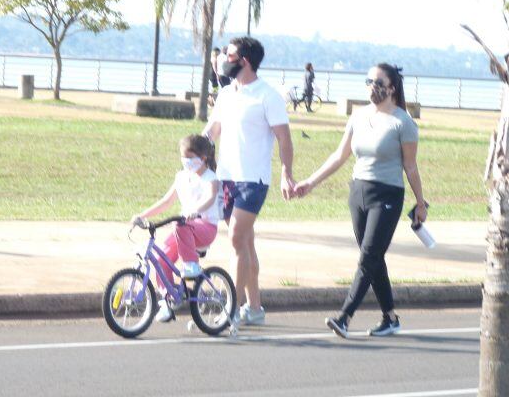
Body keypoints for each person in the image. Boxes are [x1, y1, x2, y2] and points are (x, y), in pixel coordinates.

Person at [295, 63, 427, 339]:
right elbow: (339, 156)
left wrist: (421, 202)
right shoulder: (358, 116)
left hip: (388, 195)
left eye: (378, 82)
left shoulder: (403, 122)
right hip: (359, 192)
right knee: (374, 257)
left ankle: (345, 316)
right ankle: (390, 317)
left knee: (368, 257)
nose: (372, 87)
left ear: (392, 87)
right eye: (369, 81)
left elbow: (411, 167)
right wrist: (310, 182)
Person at [203, 36, 295, 327]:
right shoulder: (227, 94)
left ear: (243, 61)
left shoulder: (267, 96)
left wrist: (286, 173)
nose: (223, 60)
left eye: (228, 55)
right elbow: (213, 130)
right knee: (246, 243)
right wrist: (195, 153)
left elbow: (284, 139)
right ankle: (254, 309)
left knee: (235, 239)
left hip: (253, 180)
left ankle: (230, 308)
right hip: (226, 178)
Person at [131, 134, 221, 323]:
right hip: (184, 228)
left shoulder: (210, 178)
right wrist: (142, 215)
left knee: (179, 224)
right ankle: (168, 300)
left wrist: (196, 211)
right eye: (183, 158)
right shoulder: (181, 177)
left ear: (203, 158)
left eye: (190, 158)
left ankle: (191, 265)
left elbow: (211, 198)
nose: (186, 162)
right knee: (160, 258)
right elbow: (166, 201)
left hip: (205, 227)